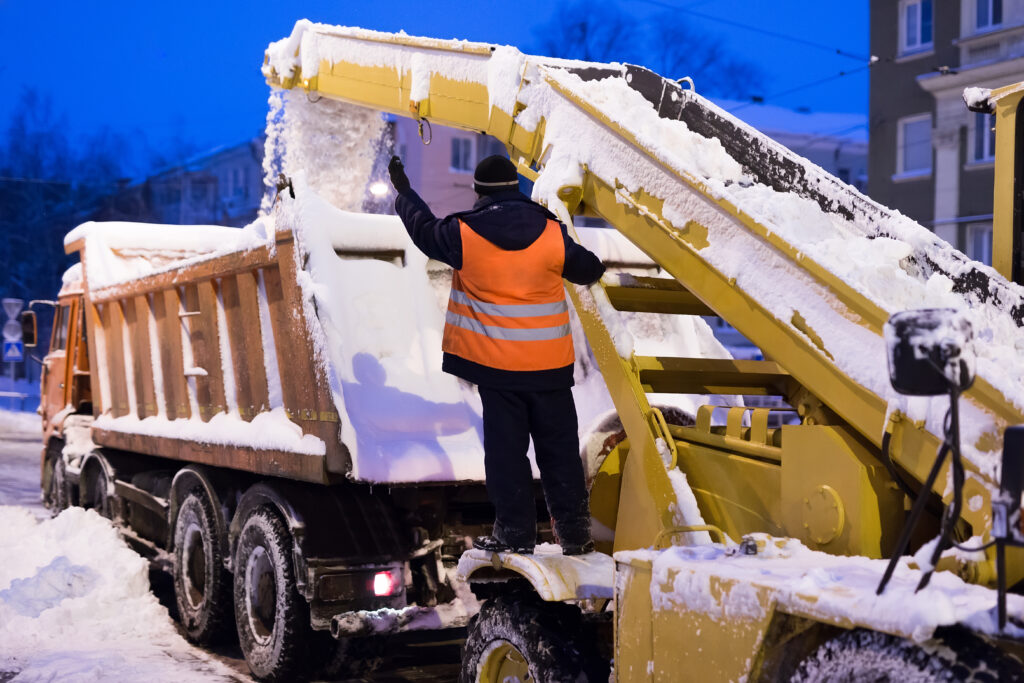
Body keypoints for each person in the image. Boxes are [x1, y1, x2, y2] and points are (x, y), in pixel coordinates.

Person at [387, 153, 605, 555]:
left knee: (508, 456)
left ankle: (515, 534)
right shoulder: (551, 232)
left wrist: (404, 193)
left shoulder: (463, 234)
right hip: (550, 370)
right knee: (560, 454)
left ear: (479, 193)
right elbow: (589, 269)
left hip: (498, 370)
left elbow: (423, 231)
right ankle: (574, 534)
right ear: (514, 188)